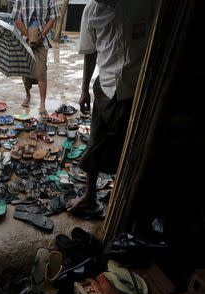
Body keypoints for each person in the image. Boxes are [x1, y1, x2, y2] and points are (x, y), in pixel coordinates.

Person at [65, 0, 155, 213]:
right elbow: (90, 52)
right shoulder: (91, 10)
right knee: (96, 140)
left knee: (132, 144)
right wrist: (84, 89)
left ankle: (127, 196)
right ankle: (89, 195)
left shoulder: (143, 4)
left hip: (137, 86)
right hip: (106, 86)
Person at [11, 0, 59, 119]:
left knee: (41, 71)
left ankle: (42, 105)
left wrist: (40, 36)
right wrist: (28, 37)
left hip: (42, 38)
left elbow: (52, 19)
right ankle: (28, 95)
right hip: (25, 37)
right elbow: (17, 19)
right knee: (26, 71)